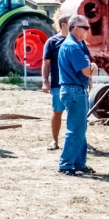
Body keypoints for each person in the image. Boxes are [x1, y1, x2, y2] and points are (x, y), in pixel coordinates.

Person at [57, 14, 97, 176]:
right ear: (75, 29)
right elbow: (86, 71)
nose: (89, 30)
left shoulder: (77, 45)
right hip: (74, 91)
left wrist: (90, 68)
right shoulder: (73, 47)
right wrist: (93, 66)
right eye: (86, 27)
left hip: (75, 90)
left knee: (80, 128)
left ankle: (79, 164)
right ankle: (66, 165)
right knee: (75, 129)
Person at [42, 14, 72, 151]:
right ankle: (54, 141)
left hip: (75, 84)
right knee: (57, 111)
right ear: (64, 25)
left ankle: (77, 140)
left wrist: (89, 79)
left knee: (76, 114)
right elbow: (46, 63)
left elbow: (87, 61)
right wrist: (45, 81)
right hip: (57, 84)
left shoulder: (79, 41)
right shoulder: (52, 42)